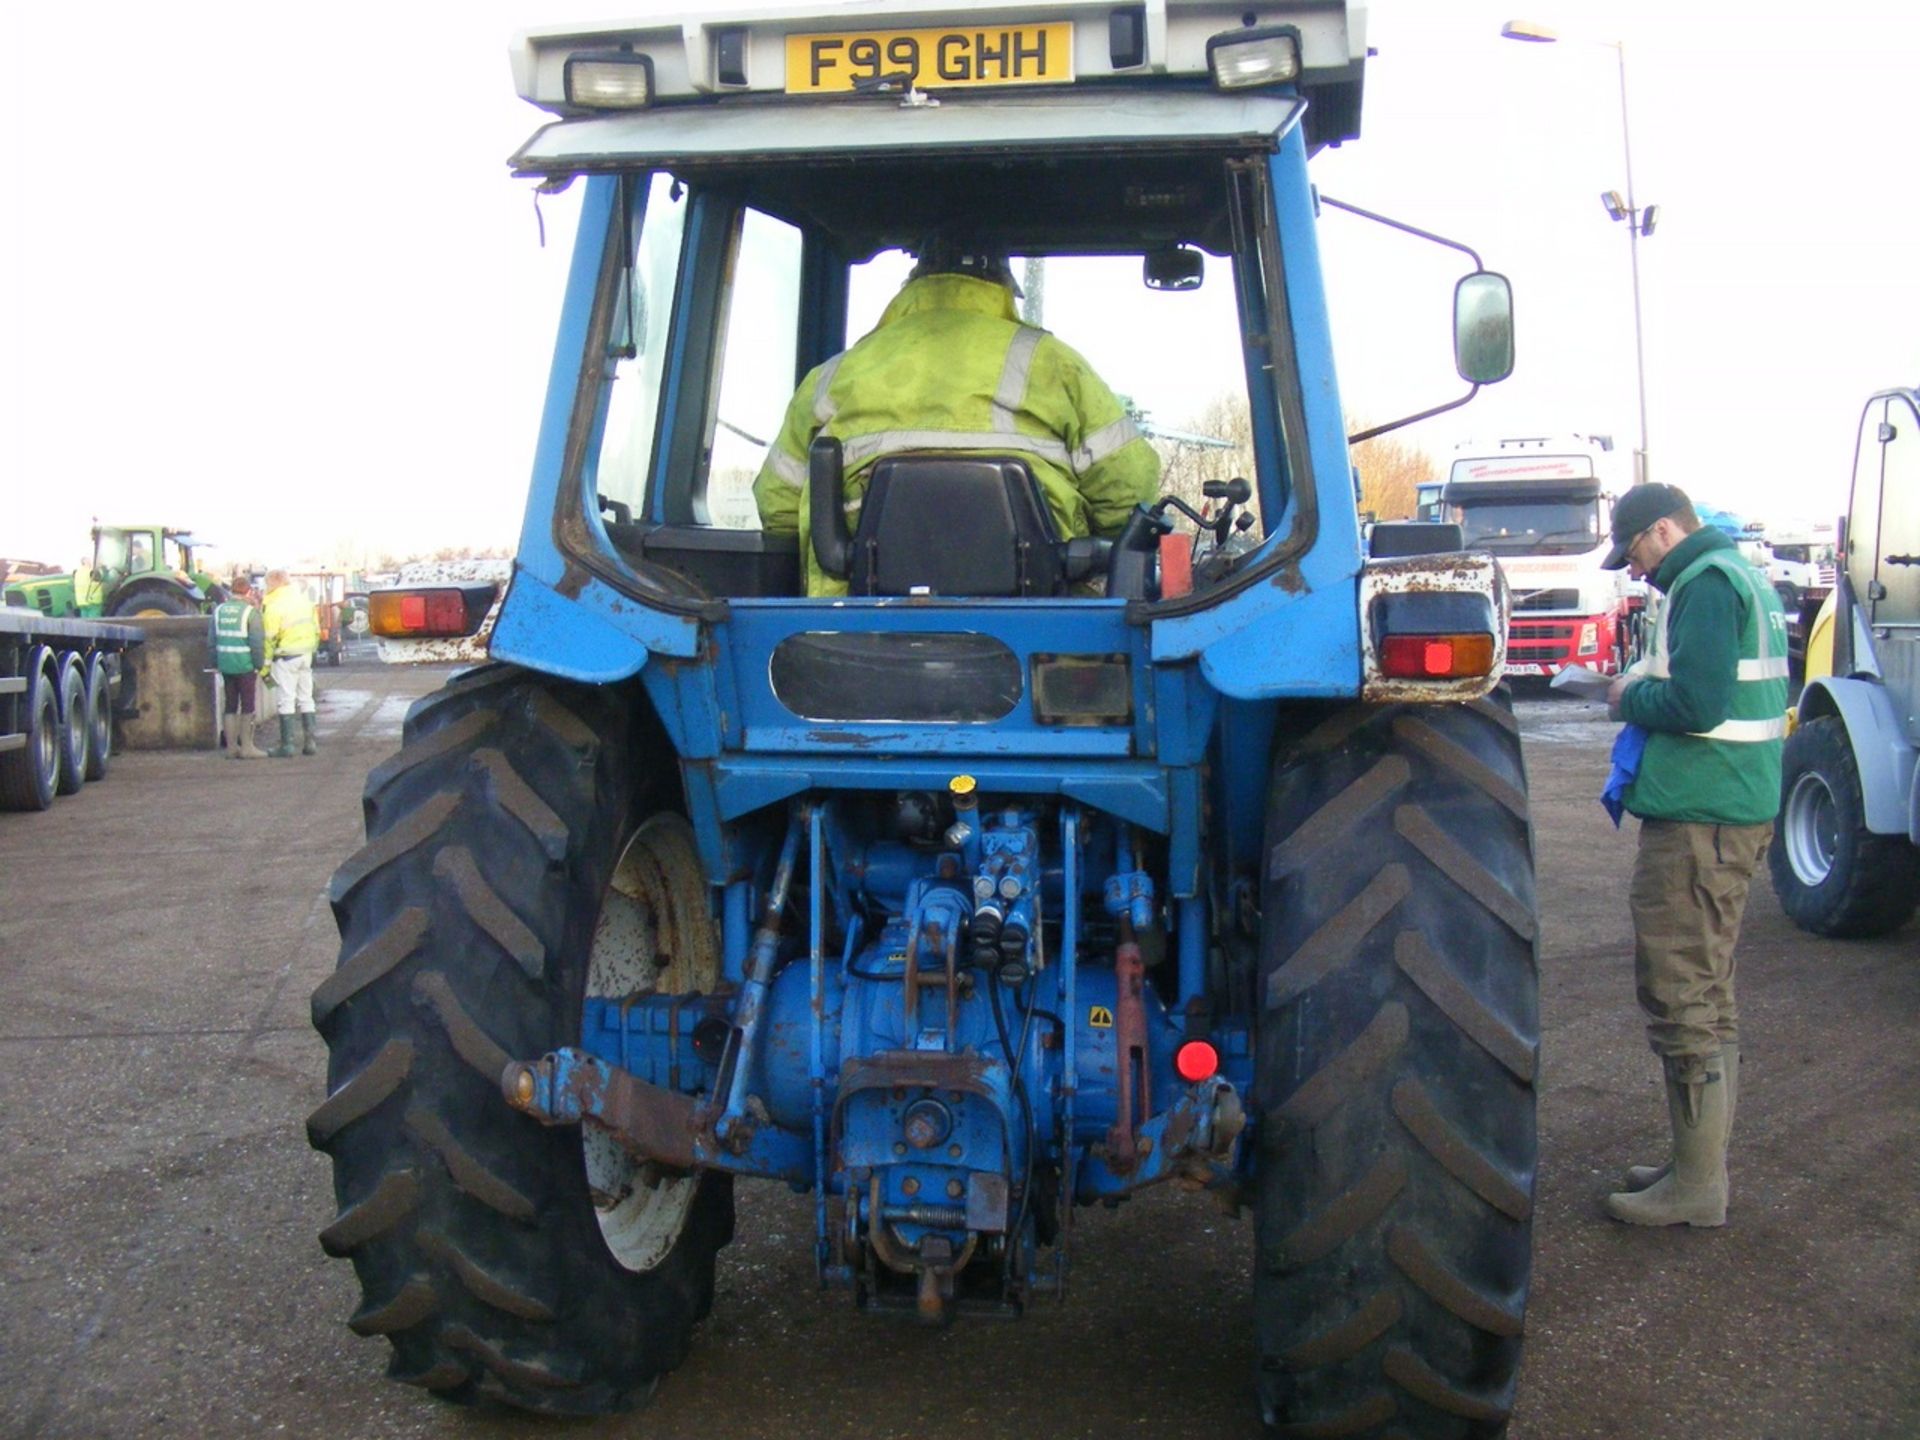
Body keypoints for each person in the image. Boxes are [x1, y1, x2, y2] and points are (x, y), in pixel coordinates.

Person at [753, 237, 1161, 596]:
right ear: (1002, 288)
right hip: (1043, 633)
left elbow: (778, 506)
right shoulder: (1053, 364)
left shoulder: (833, 375)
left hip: (860, 630)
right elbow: (1126, 491)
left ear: (912, 285)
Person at [1598, 483, 1788, 1227]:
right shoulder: (1742, 576)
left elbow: (1697, 705)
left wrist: (1623, 697)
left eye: (1637, 549)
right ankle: (1695, 1163)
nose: (1637, 568)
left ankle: (1699, 1186)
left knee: (1681, 993)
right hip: (1733, 809)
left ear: (1666, 529)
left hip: (1702, 821)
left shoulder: (1705, 585)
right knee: (1711, 992)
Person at [261, 569, 321, 757]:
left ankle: (287, 745)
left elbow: (269, 639)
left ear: (271, 584)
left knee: (286, 699)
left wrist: (264, 667)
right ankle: (310, 742)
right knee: (306, 697)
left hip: (286, 656)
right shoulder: (305, 601)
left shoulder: (273, 605)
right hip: (306, 654)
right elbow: (316, 629)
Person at [210, 575, 268, 759]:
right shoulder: (251, 613)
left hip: (225, 664)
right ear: (249, 591)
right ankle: (247, 747)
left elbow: (211, 641)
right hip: (245, 665)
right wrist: (259, 665)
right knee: (248, 705)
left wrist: (215, 664)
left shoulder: (218, 611)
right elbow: (257, 643)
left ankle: (231, 748)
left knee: (230, 704)